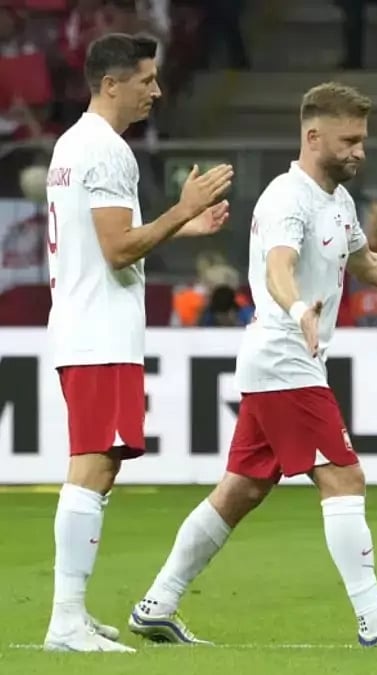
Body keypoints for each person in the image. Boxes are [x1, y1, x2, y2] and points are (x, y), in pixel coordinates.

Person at [127, 82, 377, 647]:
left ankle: (158, 602)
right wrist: (297, 307)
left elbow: (364, 261)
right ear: (313, 136)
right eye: (349, 140)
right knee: (344, 476)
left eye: (363, 140)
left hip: (286, 360)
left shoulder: (336, 201)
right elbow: (278, 264)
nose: (360, 151)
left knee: (238, 492)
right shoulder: (285, 199)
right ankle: (375, 620)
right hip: (285, 356)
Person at [42, 33, 233, 653]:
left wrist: (180, 227)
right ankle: (65, 619)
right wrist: (181, 210)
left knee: (101, 466)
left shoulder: (74, 145)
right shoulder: (107, 151)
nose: (156, 90)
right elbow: (118, 248)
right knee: (93, 465)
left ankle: (71, 614)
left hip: (86, 321)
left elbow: (110, 244)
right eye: (147, 79)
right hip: (98, 329)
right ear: (111, 83)